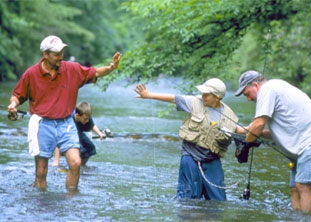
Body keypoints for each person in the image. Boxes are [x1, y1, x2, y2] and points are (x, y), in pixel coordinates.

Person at [7, 35, 121, 191]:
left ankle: (71, 202)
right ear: (45, 55)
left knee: (75, 163)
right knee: (41, 172)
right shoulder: (31, 74)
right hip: (41, 124)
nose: (61, 57)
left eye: (62, 52)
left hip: (66, 123)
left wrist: (111, 68)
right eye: (56, 54)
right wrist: (13, 105)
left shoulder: (71, 69)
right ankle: (40, 206)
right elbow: (17, 95)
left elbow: (95, 73)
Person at [235, 70, 311, 213]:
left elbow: (258, 124)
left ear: (255, 85)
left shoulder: (267, 90)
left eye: (247, 94)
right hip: (309, 141)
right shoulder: (276, 86)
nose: (248, 99)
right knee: (295, 187)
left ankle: (307, 219)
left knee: (302, 185)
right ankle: (296, 218)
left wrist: (245, 146)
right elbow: (275, 131)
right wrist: (246, 131)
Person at [135, 78, 246, 200]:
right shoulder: (194, 102)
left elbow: (238, 130)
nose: (203, 96)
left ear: (217, 97)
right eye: (203, 93)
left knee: (218, 200)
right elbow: (173, 98)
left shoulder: (229, 115)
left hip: (212, 159)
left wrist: (262, 132)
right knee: (188, 198)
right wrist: (149, 95)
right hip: (190, 155)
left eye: (207, 94)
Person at [51, 102, 106, 167]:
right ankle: (70, 162)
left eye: (88, 118)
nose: (88, 121)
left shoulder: (87, 116)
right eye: (85, 119)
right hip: (69, 134)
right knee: (79, 148)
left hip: (78, 133)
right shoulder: (69, 119)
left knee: (90, 147)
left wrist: (99, 133)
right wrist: (56, 161)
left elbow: (92, 126)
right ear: (77, 116)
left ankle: (81, 165)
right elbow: (58, 139)